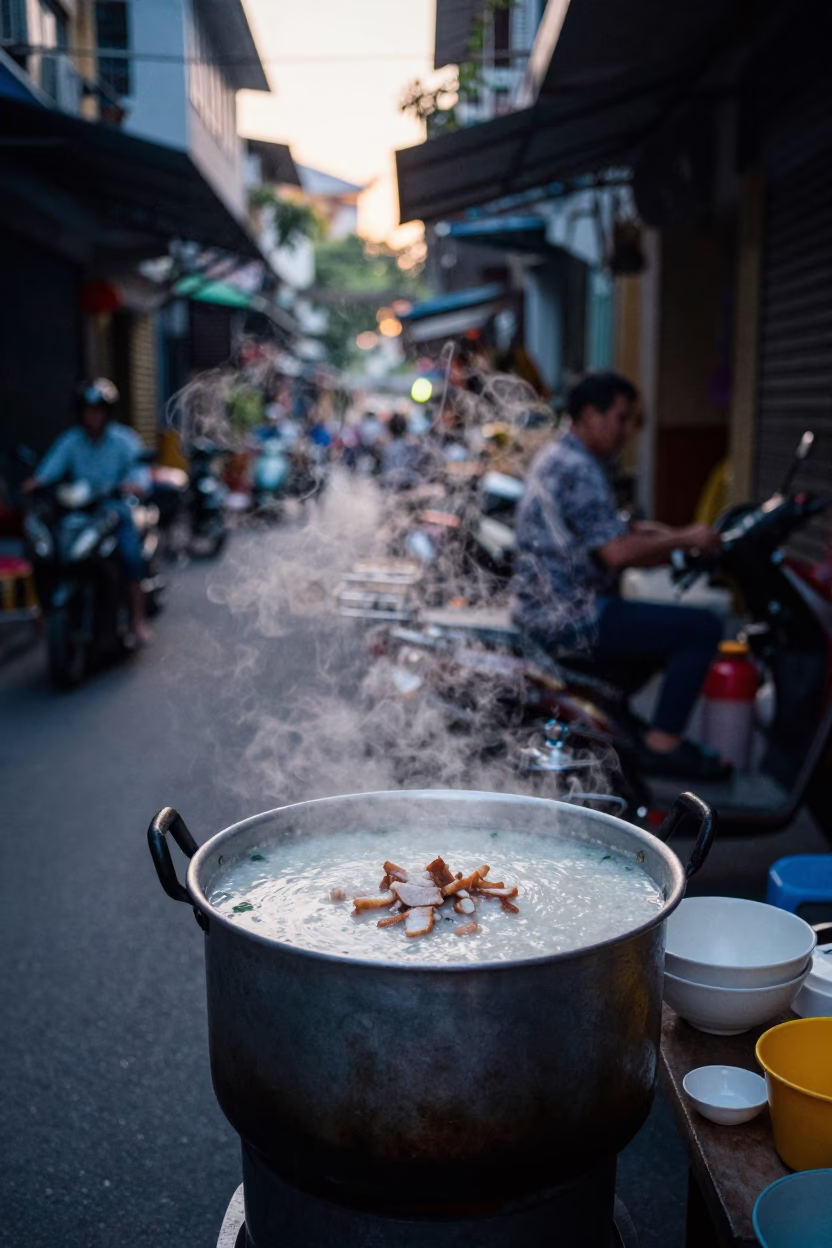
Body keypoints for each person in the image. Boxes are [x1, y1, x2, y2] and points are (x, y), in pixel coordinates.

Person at [511, 371, 727, 779]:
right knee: (701, 628)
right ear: (591, 415)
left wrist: (665, 538)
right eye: (622, 418)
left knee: (656, 625)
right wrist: (686, 537)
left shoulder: (560, 456)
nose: (627, 431)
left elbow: (608, 534)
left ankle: (621, 725)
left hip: (547, 609)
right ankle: (663, 747)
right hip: (571, 617)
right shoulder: (578, 467)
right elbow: (616, 553)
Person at [23, 378, 153, 645]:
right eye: (87, 410)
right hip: (79, 511)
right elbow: (49, 471)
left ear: (107, 413)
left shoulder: (124, 440)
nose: (92, 416)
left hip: (113, 510)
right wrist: (35, 483)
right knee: (45, 552)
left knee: (131, 556)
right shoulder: (71, 441)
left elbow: (141, 474)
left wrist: (134, 485)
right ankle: (45, 616)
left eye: (97, 410)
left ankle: (138, 621)